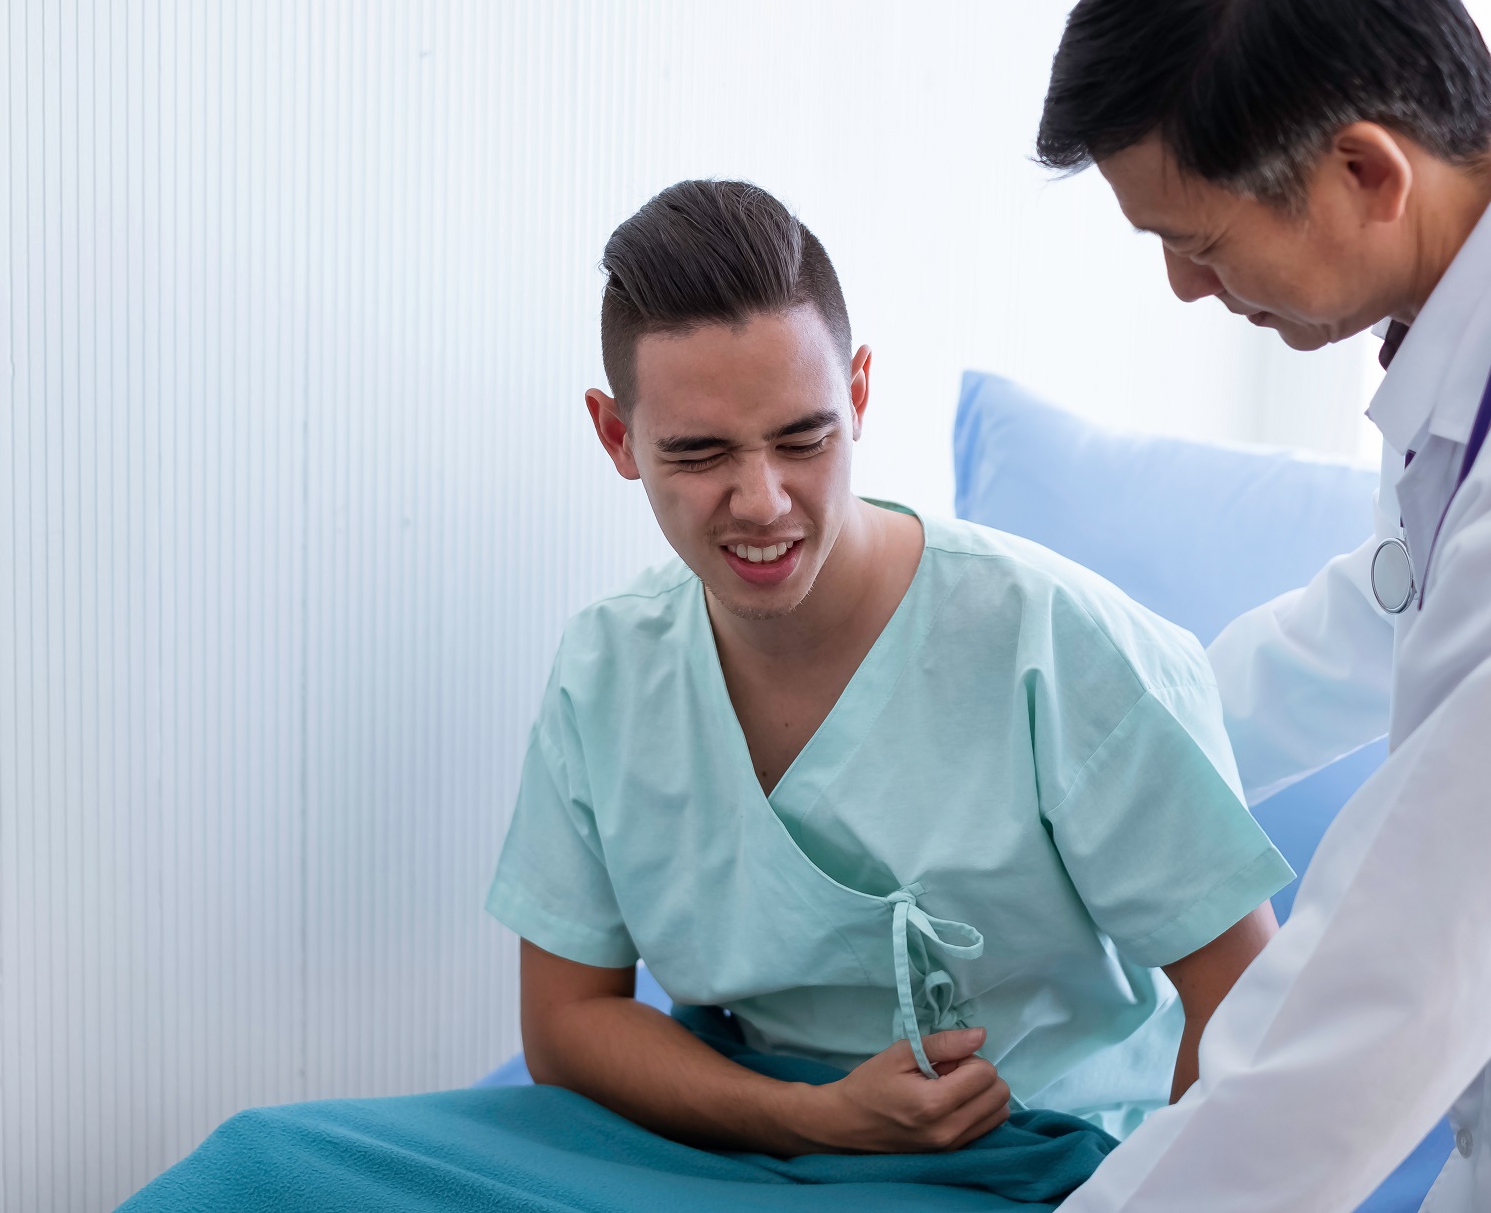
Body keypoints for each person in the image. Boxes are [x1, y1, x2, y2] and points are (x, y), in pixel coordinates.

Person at [1034, 0, 1491, 1210]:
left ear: (1363, 170)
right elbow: (1403, 592)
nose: (1182, 286)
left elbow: (1368, 1007)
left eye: (1204, 239)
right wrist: (1105, 781)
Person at [487, 178, 1292, 1161]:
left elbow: (1247, 1006)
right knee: (273, 1162)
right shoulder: (606, 670)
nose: (763, 500)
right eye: (700, 454)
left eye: (803, 437)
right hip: (748, 1138)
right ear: (618, 437)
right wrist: (807, 1118)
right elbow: (565, 1023)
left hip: (1035, 1157)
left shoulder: (1054, 642)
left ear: (859, 393)